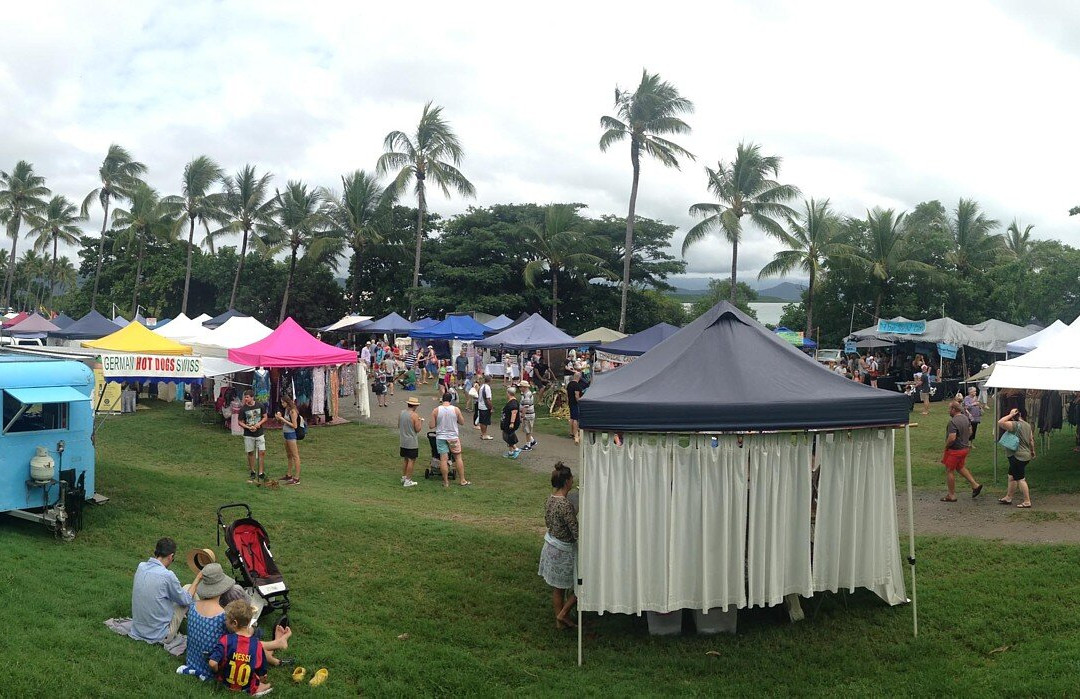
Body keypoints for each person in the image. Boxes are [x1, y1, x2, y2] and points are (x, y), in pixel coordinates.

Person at [209, 599, 293, 695]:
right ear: (249, 622)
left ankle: (278, 642)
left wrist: (217, 671)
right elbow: (262, 674)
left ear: (234, 623)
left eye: (226, 620)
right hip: (247, 687)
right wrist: (261, 678)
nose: (225, 622)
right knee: (262, 675)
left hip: (224, 683)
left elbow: (212, 663)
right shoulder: (257, 645)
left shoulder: (225, 640)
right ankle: (278, 642)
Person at [130, 537, 202, 645]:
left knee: (178, 594)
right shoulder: (167, 576)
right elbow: (186, 600)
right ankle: (202, 628)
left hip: (137, 630)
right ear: (171, 556)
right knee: (189, 589)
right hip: (160, 636)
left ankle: (199, 623)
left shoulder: (141, 566)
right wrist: (198, 579)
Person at [538, 462, 578, 629]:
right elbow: (575, 532)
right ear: (567, 481)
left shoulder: (550, 500)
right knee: (580, 585)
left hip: (550, 545)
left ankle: (560, 621)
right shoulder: (565, 504)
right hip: (563, 550)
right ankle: (563, 615)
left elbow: (548, 522)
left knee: (558, 588)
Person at [941, 400, 982, 502]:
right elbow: (970, 431)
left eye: (949, 409)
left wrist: (946, 446)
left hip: (955, 450)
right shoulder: (965, 418)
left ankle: (951, 495)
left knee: (949, 470)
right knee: (960, 467)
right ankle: (975, 485)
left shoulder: (953, 422)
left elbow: (952, 437)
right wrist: (965, 439)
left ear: (954, 409)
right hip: (965, 448)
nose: (948, 411)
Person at [998, 406, 1035, 508]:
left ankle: (1027, 501)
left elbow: (1000, 422)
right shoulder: (1027, 425)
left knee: (1020, 479)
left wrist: (1010, 414)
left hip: (1017, 456)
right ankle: (1008, 497)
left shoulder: (1014, 425)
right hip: (1025, 455)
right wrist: (1032, 451)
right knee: (1011, 476)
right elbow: (1031, 440)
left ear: (1014, 416)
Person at [431, 392, 470, 487]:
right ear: (451, 400)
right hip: (453, 437)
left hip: (441, 437)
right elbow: (462, 422)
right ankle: (462, 480)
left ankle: (445, 482)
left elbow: (431, 425)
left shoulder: (436, 410)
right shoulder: (455, 410)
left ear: (442, 399)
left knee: (443, 459)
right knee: (458, 457)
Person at [240, 390, 267, 483]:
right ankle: (252, 471)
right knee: (250, 452)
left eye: (247, 397)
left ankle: (261, 472)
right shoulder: (243, 409)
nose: (246, 399)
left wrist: (259, 424)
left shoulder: (260, 405)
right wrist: (248, 427)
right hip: (248, 434)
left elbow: (265, 417)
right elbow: (240, 422)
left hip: (259, 433)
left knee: (262, 452)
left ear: (252, 397)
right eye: (245, 397)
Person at [274, 395, 302, 485]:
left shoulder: (293, 411)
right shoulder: (287, 410)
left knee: (295, 455)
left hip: (291, 435)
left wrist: (283, 419)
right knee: (289, 455)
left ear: (287, 402)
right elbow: (284, 422)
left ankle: (297, 478)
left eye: (283, 402)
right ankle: (289, 474)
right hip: (286, 434)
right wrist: (279, 418)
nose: (282, 404)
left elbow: (294, 425)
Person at [399, 397, 423, 487]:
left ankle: (404, 476)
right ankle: (408, 480)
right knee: (411, 460)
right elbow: (418, 429)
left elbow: (399, 425)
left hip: (403, 440)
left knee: (405, 459)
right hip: (411, 441)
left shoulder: (401, 413)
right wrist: (420, 422)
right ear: (415, 406)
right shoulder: (415, 415)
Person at [501, 387, 521, 459]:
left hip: (510, 423)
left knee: (507, 436)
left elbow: (514, 413)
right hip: (507, 422)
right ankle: (510, 452)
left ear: (508, 393)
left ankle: (516, 449)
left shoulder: (513, 403)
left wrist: (512, 423)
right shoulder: (511, 401)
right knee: (508, 435)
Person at [566, 371, 584, 444]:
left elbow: (567, 395)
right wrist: (580, 402)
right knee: (576, 419)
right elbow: (577, 396)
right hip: (575, 403)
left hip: (570, 402)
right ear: (579, 377)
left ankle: (571, 432)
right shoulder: (576, 385)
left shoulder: (569, 384)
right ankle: (575, 433)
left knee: (571, 418)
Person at [519, 381, 537, 451]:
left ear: (525, 387)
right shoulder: (525, 394)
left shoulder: (527, 395)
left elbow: (526, 406)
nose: (520, 388)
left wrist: (522, 416)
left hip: (528, 415)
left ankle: (528, 445)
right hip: (527, 414)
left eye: (521, 387)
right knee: (526, 429)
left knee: (528, 430)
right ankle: (532, 441)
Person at [476, 374, 493, 440]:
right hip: (485, 406)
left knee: (482, 420)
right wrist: (491, 407)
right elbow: (488, 399)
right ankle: (484, 434)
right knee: (485, 421)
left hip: (480, 405)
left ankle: (483, 433)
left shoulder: (482, 386)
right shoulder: (487, 388)